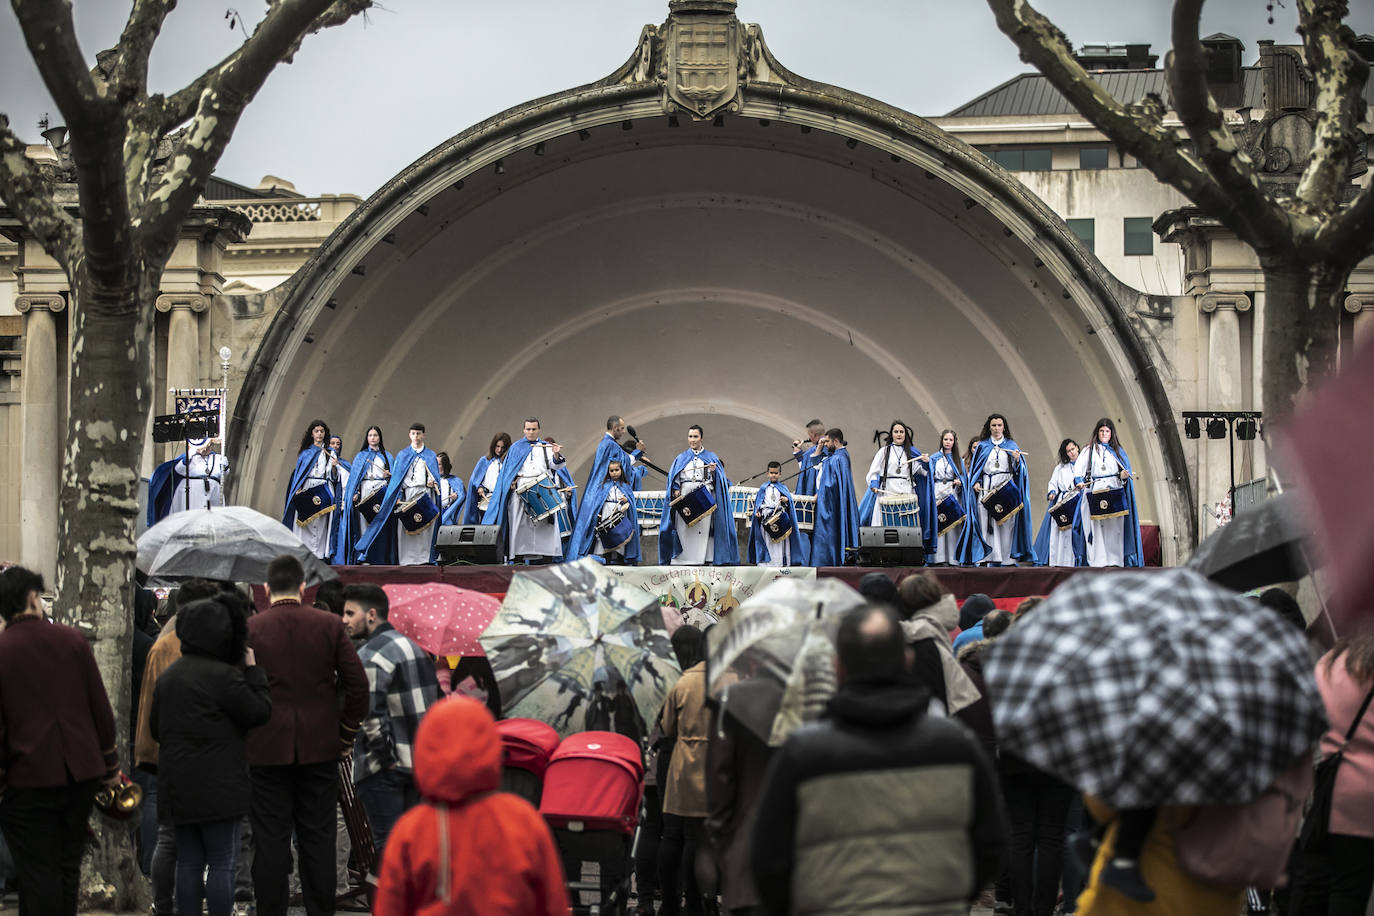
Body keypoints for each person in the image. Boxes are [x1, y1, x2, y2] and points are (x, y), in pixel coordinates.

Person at [750, 604, 1007, 915]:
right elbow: (990, 843)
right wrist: (949, 898)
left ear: (837, 667)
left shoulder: (804, 753)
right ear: (907, 660)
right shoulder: (955, 744)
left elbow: (769, 858)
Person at [246, 555, 368, 916]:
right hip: (320, 746)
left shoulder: (252, 628)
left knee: (269, 841)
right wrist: (344, 733)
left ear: (267, 590)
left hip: (267, 749)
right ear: (303, 588)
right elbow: (357, 685)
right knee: (318, 838)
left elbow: (239, 688)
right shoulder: (329, 626)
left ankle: (271, 910)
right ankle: (320, 909)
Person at [372, 696, 570, 916]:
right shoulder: (523, 820)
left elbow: (390, 908)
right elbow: (552, 905)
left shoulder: (411, 830)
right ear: (489, 744)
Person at [0, 567, 121, 916]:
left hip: (28, 777)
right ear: (32, 598)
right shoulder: (72, 641)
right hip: (80, 772)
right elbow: (100, 709)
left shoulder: (4, 650)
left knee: (37, 873)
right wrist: (110, 766)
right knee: (68, 867)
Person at [151, 597, 272, 916]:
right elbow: (259, 712)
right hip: (221, 784)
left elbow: (155, 727)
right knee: (222, 861)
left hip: (178, 784)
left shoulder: (169, 678)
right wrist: (254, 671)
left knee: (188, 861)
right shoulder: (226, 676)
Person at [341, 584, 442, 878]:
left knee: (388, 851)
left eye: (350, 613)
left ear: (371, 615)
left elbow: (371, 715)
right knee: (414, 847)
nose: (344, 620)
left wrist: (385, 758)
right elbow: (437, 703)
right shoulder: (414, 648)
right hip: (418, 765)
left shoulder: (370, 654)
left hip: (386, 769)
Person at [135, 579, 222, 916]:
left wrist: (147, 749)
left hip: (170, 752)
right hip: (208, 756)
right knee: (212, 846)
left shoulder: (162, 645)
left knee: (171, 837)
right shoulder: (217, 644)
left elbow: (149, 705)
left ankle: (165, 902)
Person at [1287, 630, 1374, 916]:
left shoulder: (1327, 664)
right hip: (1366, 796)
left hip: (1326, 788)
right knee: (1349, 888)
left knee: (1319, 881)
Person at [658, 626, 713, 916]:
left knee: (672, 834)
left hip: (683, 761)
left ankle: (669, 904)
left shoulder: (683, 680)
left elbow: (666, 727)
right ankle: (697, 903)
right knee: (699, 838)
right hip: (718, 763)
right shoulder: (732, 678)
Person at [483, 418, 569, 564]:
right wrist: (510, 484)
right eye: (528, 429)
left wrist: (555, 454)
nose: (531, 432)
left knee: (546, 526)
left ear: (538, 430)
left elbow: (557, 466)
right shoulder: (516, 447)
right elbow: (508, 471)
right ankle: (518, 557)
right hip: (521, 489)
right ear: (524, 430)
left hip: (542, 488)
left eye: (534, 429)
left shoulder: (545, 446)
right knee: (519, 524)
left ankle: (547, 556)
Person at [356, 423, 443, 566]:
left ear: (423, 435)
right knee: (405, 526)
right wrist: (397, 496)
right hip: (407, 493)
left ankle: (424, 558)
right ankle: (406, 559)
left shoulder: (430, 455)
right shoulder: (403, 455)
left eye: (419, 433)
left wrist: (433, 483)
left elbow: (435, 477)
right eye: (413, 433)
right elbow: (398, 479)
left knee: (426, 527)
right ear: (409, 435)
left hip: (425, 492)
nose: (416, 436)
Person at [659, 425, 738, 566]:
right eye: (690, 436)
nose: (692, 440)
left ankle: (700, 560)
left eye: (695, 436)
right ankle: (682, 560)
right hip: (685, 497)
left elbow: (718, 480)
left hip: (703, 496)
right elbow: (675, 477)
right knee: (684, 528)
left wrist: (714, 472)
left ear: (701, 438)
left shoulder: (711, 457)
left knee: (701, 529)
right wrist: (676, 489)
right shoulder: (681, 458)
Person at [964, 413, 1035, 567]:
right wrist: (976, 481)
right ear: (989, 427)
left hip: (1005, 487)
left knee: (1006, 524)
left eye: (999, 425)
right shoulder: (983, 446)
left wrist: (1017, 460)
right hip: (987, 487)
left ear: (1004, 427)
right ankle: (985, 557)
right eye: (994, 425)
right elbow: (977, 469)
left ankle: (1007, 558)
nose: (997, 428)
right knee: (985, 523)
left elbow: (1019, 471)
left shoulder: (1011, 445)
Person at [1073, 418, 1143, 568]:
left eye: (1107, 431)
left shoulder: (1118, 452)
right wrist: (1078, 481)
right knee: (1096, 527)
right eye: (1102, 431)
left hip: (1114, 491)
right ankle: (1098, 560)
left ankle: (1114, 560)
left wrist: (1124, 476)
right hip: (1095, 490)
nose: (1104, 434)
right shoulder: (1089, 450)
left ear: (1111, 434)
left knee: (1114, 528)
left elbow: (1124, 473)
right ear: (1097, 432)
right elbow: (1078, 470)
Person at [334, 426, 394, 566]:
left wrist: (388, 476)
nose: (373, 438)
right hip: (365, 491)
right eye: (370, 435)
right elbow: (355, 479)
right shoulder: (360, 456)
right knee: (364, 524)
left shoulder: (387, 456)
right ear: (367, 438)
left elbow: (394, 479)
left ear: (380, 438)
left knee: (379, 525)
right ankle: (364, 556)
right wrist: (355, 493)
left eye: (375, 435)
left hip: (381, 491)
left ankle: (378, 557)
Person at [282, 419, 342, 560]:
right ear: (312, 434)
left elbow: (333, 477)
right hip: (308, 487)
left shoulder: (330, 452)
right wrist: (299, 488)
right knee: (305, 521)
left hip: (323, 487)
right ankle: (305, 551)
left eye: (322, 431)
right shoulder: (305, 453)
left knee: (321, 523)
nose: (319, 434)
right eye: (317, 431)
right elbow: (300, 474)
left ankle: (319, 553)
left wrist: (334, 466)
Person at [570, 458, 642, 564]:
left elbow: (630, 500)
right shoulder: (604, 486)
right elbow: (598, 500)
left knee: (618, 533)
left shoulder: (625, 486)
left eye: (616, 470)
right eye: (611, 471)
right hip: (607, 511)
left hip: (619, 511)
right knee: (607, 532)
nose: (614, 473)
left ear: (621, 470)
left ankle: (619, 557)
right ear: (608, 472)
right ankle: (607, 557)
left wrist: (626, 500)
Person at [858, 420, 925, 528]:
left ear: (905, 434)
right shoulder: (884, 451)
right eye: (896, 431)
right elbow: (873, 471)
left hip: (906, 491)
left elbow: (922, 472)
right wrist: (874, 484)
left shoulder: (911, 452)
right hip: (887, 490)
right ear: (892, 434)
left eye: (901, 432)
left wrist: (926, 462)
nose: (899, 434)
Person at [809, 428, 860, 567]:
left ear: (836, 441)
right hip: (833, 501)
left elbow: (830, 484)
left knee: (828, 534)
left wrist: (819, 495)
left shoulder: (838, 458)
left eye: (827, 442)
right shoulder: (838, 456)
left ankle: (827, 561)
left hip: (830, 504)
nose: (825, 444)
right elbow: (816, 464)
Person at [147, 439, 229, 524]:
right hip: (190, 497)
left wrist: (225, 467)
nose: (206, 449)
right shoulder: (187, 459)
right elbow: (179, 469)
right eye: (205, 446)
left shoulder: (216, 458)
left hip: (212, 495)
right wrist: (193, 451)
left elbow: (223, 473)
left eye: (209, 445)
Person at [1033, 438, 1086, 568]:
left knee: (1075, 531)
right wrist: (1052, 492)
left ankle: (1074, 560)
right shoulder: (1060, 468)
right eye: (1068, 451)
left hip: (1078, 501)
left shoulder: (1085, 465)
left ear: (1077, 448)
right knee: (1061, 533)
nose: (1072, 452)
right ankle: (1059, 561)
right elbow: (1053, 482)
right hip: (1063, 501)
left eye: (1073, 449)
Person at [921, 428, 969, 565]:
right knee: (939, 526)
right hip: (937, 492)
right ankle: (938, 558)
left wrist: (960, 482)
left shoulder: (958, 460)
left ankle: (953, 559)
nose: (948, 442)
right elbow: (928, 474)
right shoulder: (934, 458)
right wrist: (925, 462)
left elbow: (964, 479)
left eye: (950, 440)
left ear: (954, 442)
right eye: (945, 439)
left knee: (953, 528)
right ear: (942, 441)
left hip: (952, 493)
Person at [748, 461, 803, 567]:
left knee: (779, 544)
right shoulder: (763, 488)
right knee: (767, 542)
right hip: (766, 519)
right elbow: (759, 503)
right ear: (767, 473)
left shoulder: (783, 488)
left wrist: (786, 499)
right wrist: (758, 513)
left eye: (776, 473)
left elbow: (789, 504)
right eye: (771, 473)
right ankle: (766, 564)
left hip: (779, 520)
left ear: (780, 474)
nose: (774, 475)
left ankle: (778, 564)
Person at [464, 432, 510, 524]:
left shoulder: (508, 463)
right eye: (497, 446)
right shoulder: (485, 461)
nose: (499, 450)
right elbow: (475, 481)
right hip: (486, 499)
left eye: (502, 447)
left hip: (501, 500)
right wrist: (480, 487)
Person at [790, 420, 826, 498]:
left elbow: (809, 470)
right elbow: (805, 467)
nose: (809, 438)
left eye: (809, 435)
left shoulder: (823, 450)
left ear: (814, 435)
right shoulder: (812, 451)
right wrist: (798, 451)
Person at [435, 451, 466, 527]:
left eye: (438, 464)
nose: (435, 466)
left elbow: (461, 495)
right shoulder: (431, 480)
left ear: (445, 466)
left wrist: (456, 496)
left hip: (447, 514)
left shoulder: (455, 480)